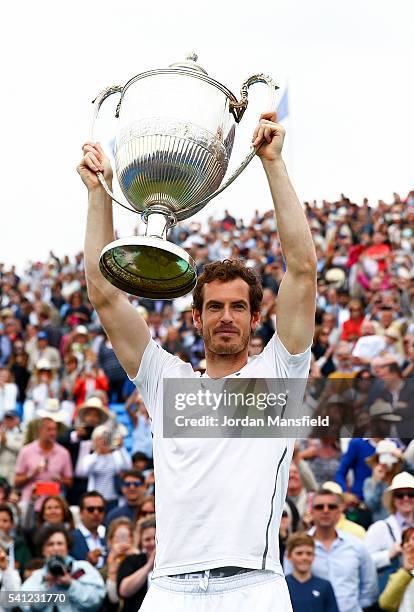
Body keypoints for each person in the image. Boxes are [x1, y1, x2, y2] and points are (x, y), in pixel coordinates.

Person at [79, 110, 317, 610]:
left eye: (237, 307)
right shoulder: (165, 381)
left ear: (256, 319)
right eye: (214, 306)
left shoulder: (280, 373)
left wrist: (273, 164)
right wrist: (98, 194)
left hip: (254, 585)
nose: (225, 317)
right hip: (169, 589)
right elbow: (105, 296)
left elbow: (302, 270)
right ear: (197, 319)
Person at [284, 489, 378, 612]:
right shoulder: (300, 546)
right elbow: (289, 582)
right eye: (319, 507)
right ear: (311, 511)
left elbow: (370, 587)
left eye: (331, 507)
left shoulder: (356, 545)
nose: (326, 510)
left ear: (340, 512)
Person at [21, 525, 106, 611]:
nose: (56, 548)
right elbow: (25, 606)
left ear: (67, 547)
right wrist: (47, 587)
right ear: (43, 550)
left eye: (60, 543)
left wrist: (70, 585)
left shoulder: (83, 568)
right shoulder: (38, 577)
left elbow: (97, 600)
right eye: (50, 544)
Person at [365, 472, 414, 593]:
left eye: (411, 494)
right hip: (390, 595)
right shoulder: (380, 528)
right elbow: (364, 563)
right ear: (393, 499)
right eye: (400, 495)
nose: (406, 498)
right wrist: (389, 554)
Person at [14, 417, 73, 513]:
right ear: (40, 430)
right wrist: (32, 473)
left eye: (55, 429)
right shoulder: (26, 451)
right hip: (31, 505)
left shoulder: (63, 453)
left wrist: (60, 479)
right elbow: (16, 481)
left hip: (54, 507)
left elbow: (70, 482)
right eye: (49, 429)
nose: (53, 433)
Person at [78, 425, 131, 512]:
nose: (103, 441)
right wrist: (98, 452)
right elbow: (85, 472)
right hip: (96, 500)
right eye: (100, 438)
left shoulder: (116, 455)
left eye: (106, 438)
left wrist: (121, 448)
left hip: (113, 499)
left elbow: (127, 467)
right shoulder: (90, 457)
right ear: (94, 440)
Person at [285, 532, 339, 611]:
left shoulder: (324, 586)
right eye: (299, 553)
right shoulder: (282, 585)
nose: (304, 557)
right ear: (289, 556)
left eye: (309, 553)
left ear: (314, 556)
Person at [117, 517, 156, 612]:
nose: (152, 543)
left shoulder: (172, 563)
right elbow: (124, 591)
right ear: (141, 543)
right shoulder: (132, 560)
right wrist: (149, 565)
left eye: (155, 538)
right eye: (147, 539)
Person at [379, 526, 414, 611]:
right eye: (406, 541)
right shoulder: (398, 575)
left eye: (413, 539)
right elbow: (385, 604)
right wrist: (406, 571)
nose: (409, 544)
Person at [70, 491, 107, 569]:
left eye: (100, 509)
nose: (96, 513)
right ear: (81, 513)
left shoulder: (107, 538)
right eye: (91, 509)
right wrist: (87, 564)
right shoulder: (70, 539)